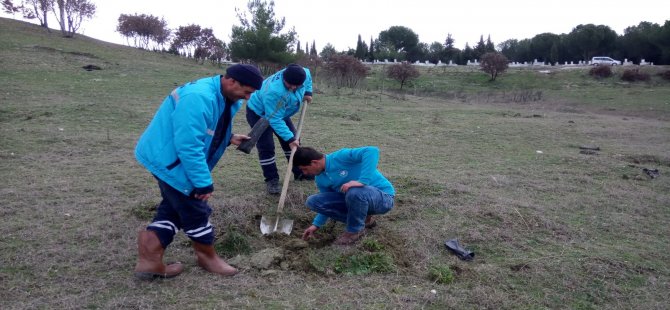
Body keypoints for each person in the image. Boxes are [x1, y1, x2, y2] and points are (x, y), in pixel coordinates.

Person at [133, 64, 264, 280]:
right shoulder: (199, 97)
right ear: (231, 81)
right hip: (171, 160)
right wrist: (202, 182)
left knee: (172, 209)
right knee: (195, 208)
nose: (248, 98)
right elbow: (188, 144)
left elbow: (208, 125)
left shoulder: (223, 96)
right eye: (247, 92)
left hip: (172, 157)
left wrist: (228, 138)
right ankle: (207, 257)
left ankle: (149, 261)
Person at [293, 146, 395, 245]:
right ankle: (365, 220)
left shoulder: (341, 157)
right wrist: (316, 225)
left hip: (383, 198)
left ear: (314, 162)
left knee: (354, 191)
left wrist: (362, 181)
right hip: (355, 198)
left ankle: (354, 231)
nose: (305, 173)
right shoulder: (320, 179)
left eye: (305, 169)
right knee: (313, 201)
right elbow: (329, 203)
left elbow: (372, 151)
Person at [245, 63, 313, 195]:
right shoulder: (274, 91)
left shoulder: (304, 73)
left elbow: (308, 79)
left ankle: (300, 173)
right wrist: (290, 138)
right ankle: (272, 179)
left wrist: (308, 92)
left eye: (297, 86)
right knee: (267, 146)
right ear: (284, 78)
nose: (293, 87)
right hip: (260, 113)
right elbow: (274, 119)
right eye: (289, 85)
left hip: (281, 112)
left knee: (293, 145)